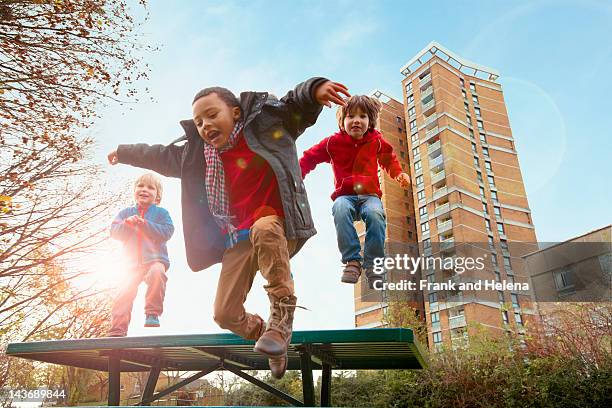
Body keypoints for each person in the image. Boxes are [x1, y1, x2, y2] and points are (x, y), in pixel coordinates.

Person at [107, 77, 349, 378]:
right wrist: (124, 152)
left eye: (212, 115)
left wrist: (314, 90)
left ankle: (281, 321)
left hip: (280, 225)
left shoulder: (267, 122)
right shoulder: (197, 156)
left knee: (264, 226)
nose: (205, 125)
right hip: (239, 237)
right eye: (199, 121)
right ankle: (267, 335)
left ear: (235, 113)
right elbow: (158, 155)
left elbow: (295, 104)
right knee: (224, 313)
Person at [299, 95, 410, 289]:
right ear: (342, 122)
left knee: (376, 214)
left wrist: (399, 174)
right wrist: (296, 176)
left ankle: (374, 266)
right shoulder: (332, 143)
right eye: (351, 116)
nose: (356, 120)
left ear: (371, 122)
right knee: (339, 208)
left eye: (363, 116)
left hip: (370, 197)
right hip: (345, 196)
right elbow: (309, 158)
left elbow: (389, 160)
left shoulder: (377, 141)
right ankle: (352, 261)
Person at [108, 173, 174, 337]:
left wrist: (146, 224)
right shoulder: (125, 213)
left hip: (154, 260)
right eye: (141, 186)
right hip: (130, 264)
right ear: (135, 191)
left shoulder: (161, 214)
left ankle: (152, 313)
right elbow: (114, 232)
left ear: (157, 196)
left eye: (150, 187)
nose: (144, 189)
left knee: (157, 274)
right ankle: (118, 329)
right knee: (124, 293)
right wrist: (128, 224)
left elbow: (167, 231)